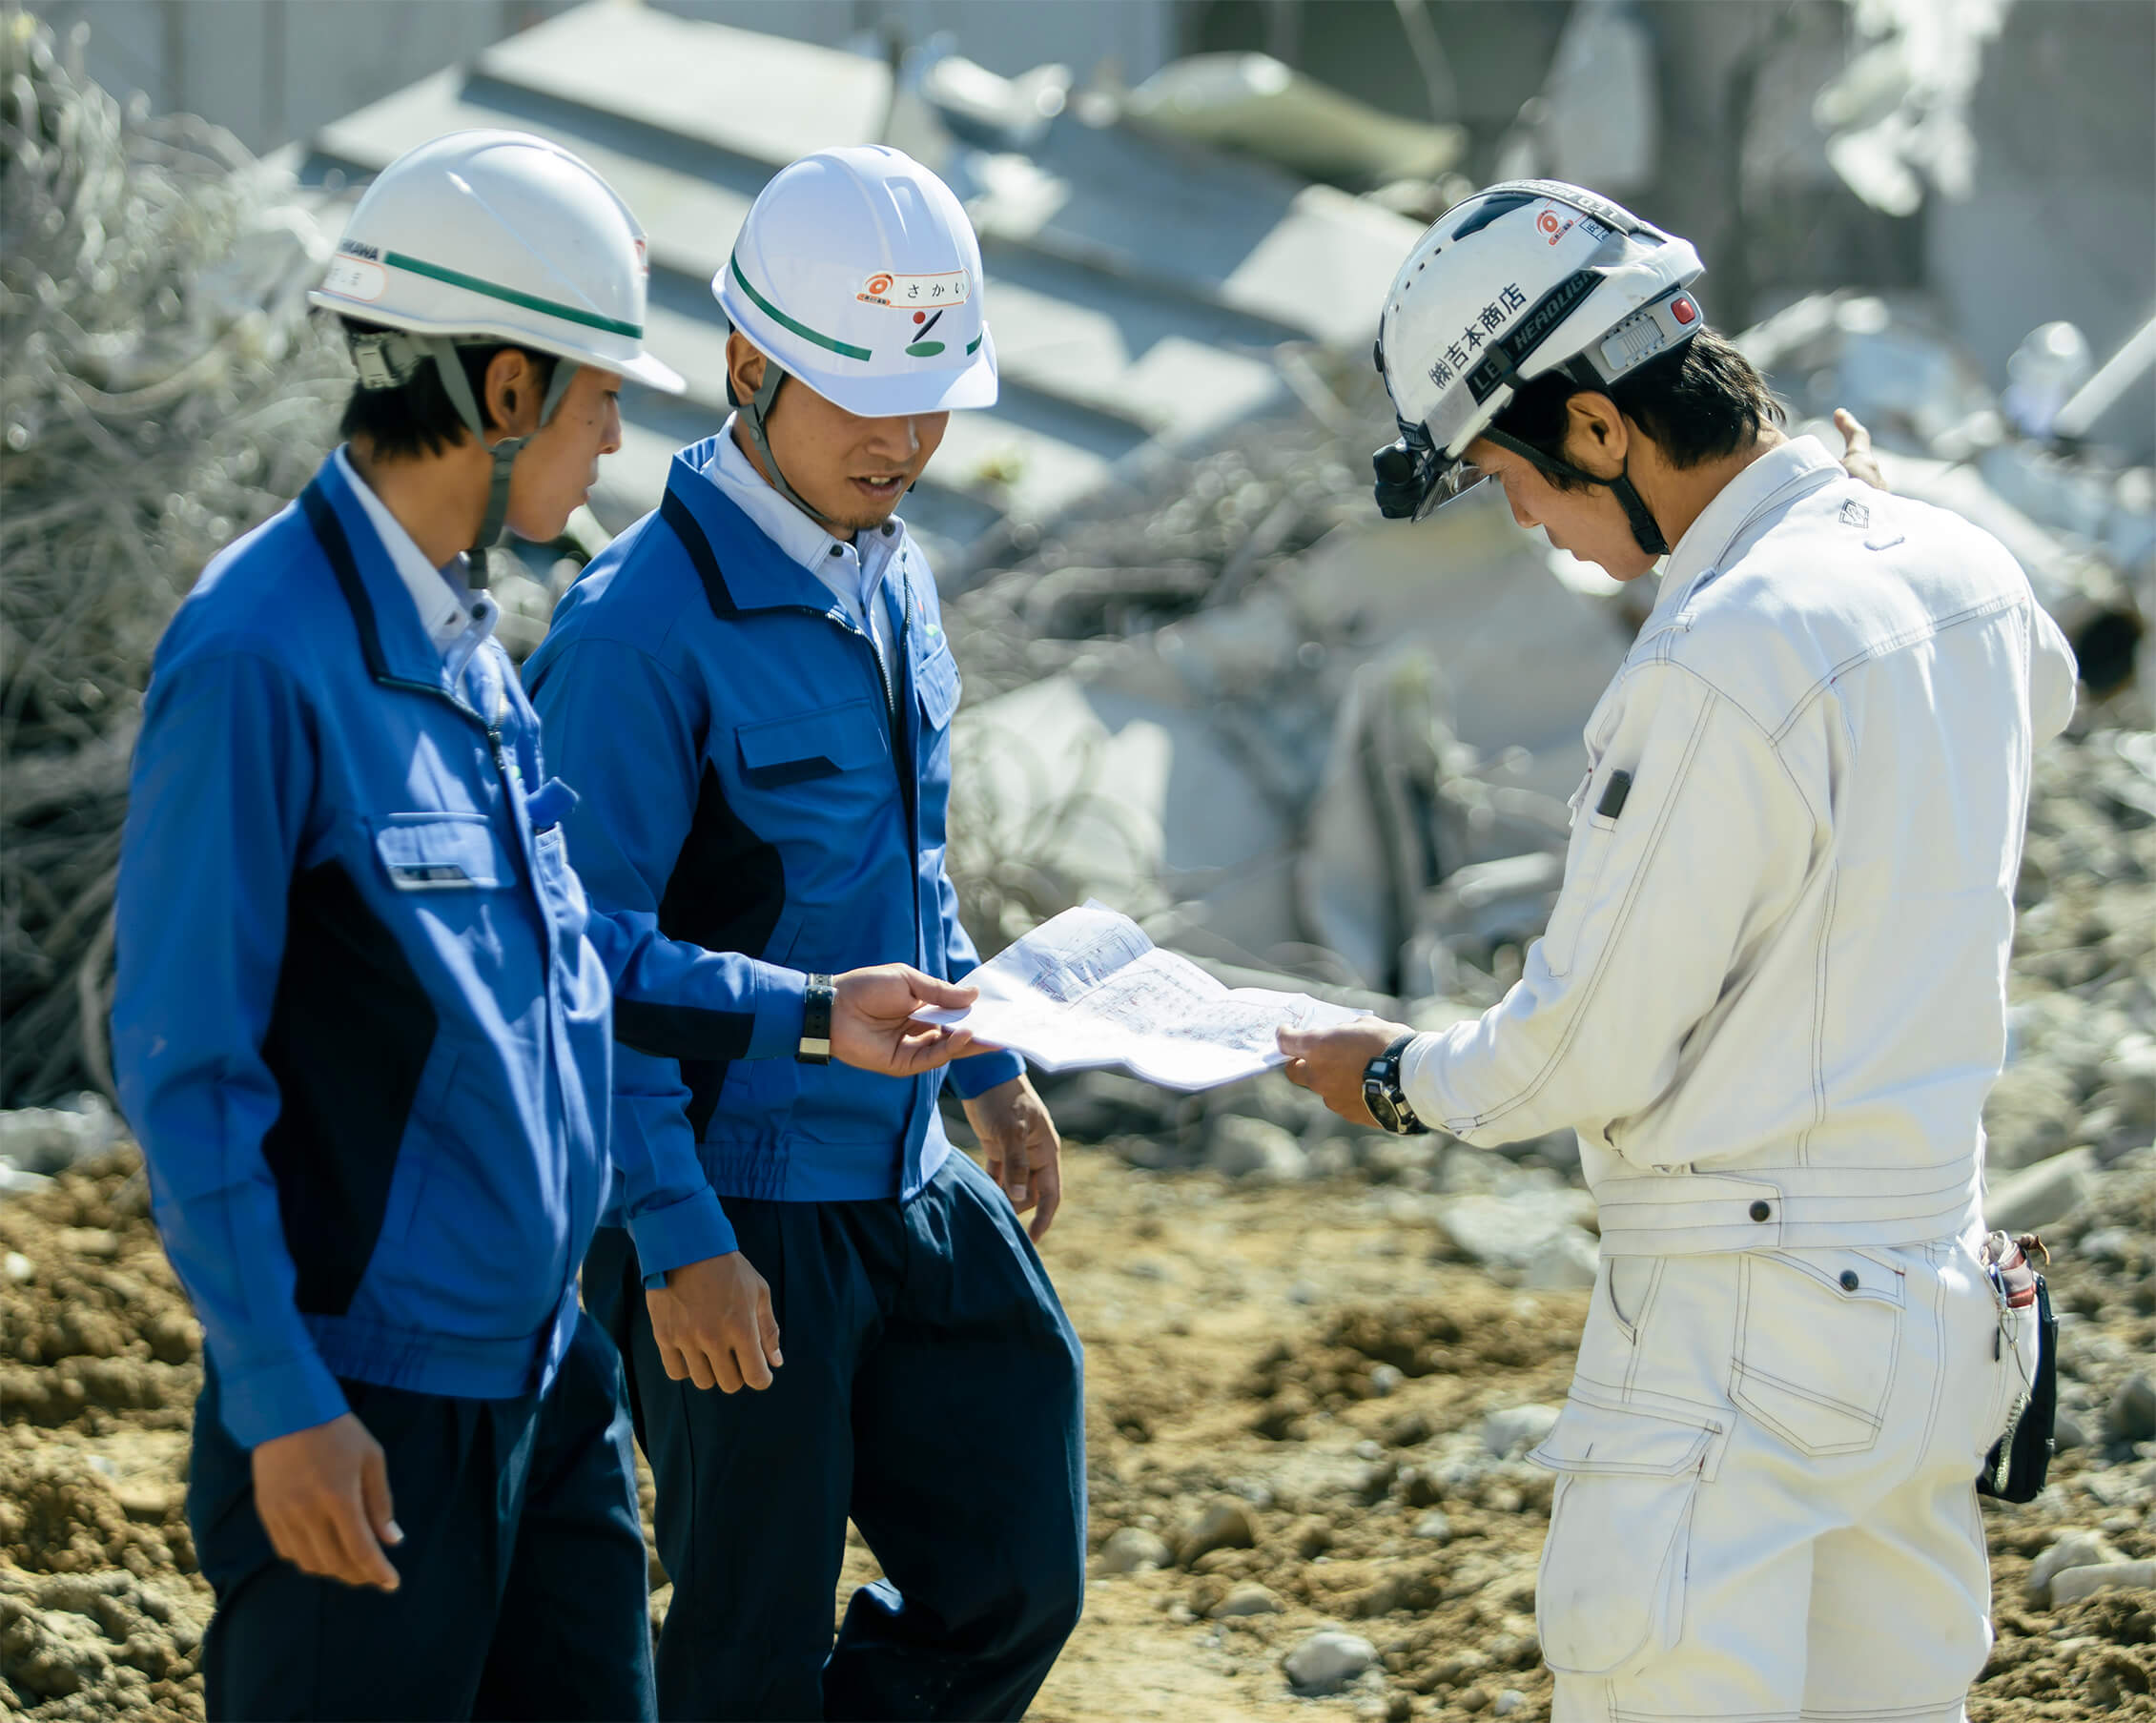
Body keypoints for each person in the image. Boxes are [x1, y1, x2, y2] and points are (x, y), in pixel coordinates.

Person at [112, 129, 982, 1722]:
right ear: (503, 393)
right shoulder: (258, 655)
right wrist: (281, 1395)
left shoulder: (470, 647)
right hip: (364, 1398)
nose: (615, 434)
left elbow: (579, 949)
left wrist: (808, 1008)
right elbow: (186, 1068)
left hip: (540, 1378)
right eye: (599, 394)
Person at [1280, 179, 2077, 1720]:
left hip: (1738, 1331)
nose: (1517, 517)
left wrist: (1391, 1080)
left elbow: (1583, 1045)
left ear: (1594, 426)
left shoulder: (1724, 653)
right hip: (1934, 1301)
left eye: (1505, 470)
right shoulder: (1965, 574)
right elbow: (2024, 708)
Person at [522, 144, 1085, 1722]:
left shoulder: (888, 574)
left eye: (931, 403)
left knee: (1016, 1572)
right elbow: (588, 970)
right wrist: (678, 1243)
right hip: (730, 1207)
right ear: (747, 367)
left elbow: (905, 867)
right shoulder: (637, 633)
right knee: (744, 1649)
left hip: (903, 1174)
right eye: (862, 401)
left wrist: (993, 1066)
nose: (905, 441)